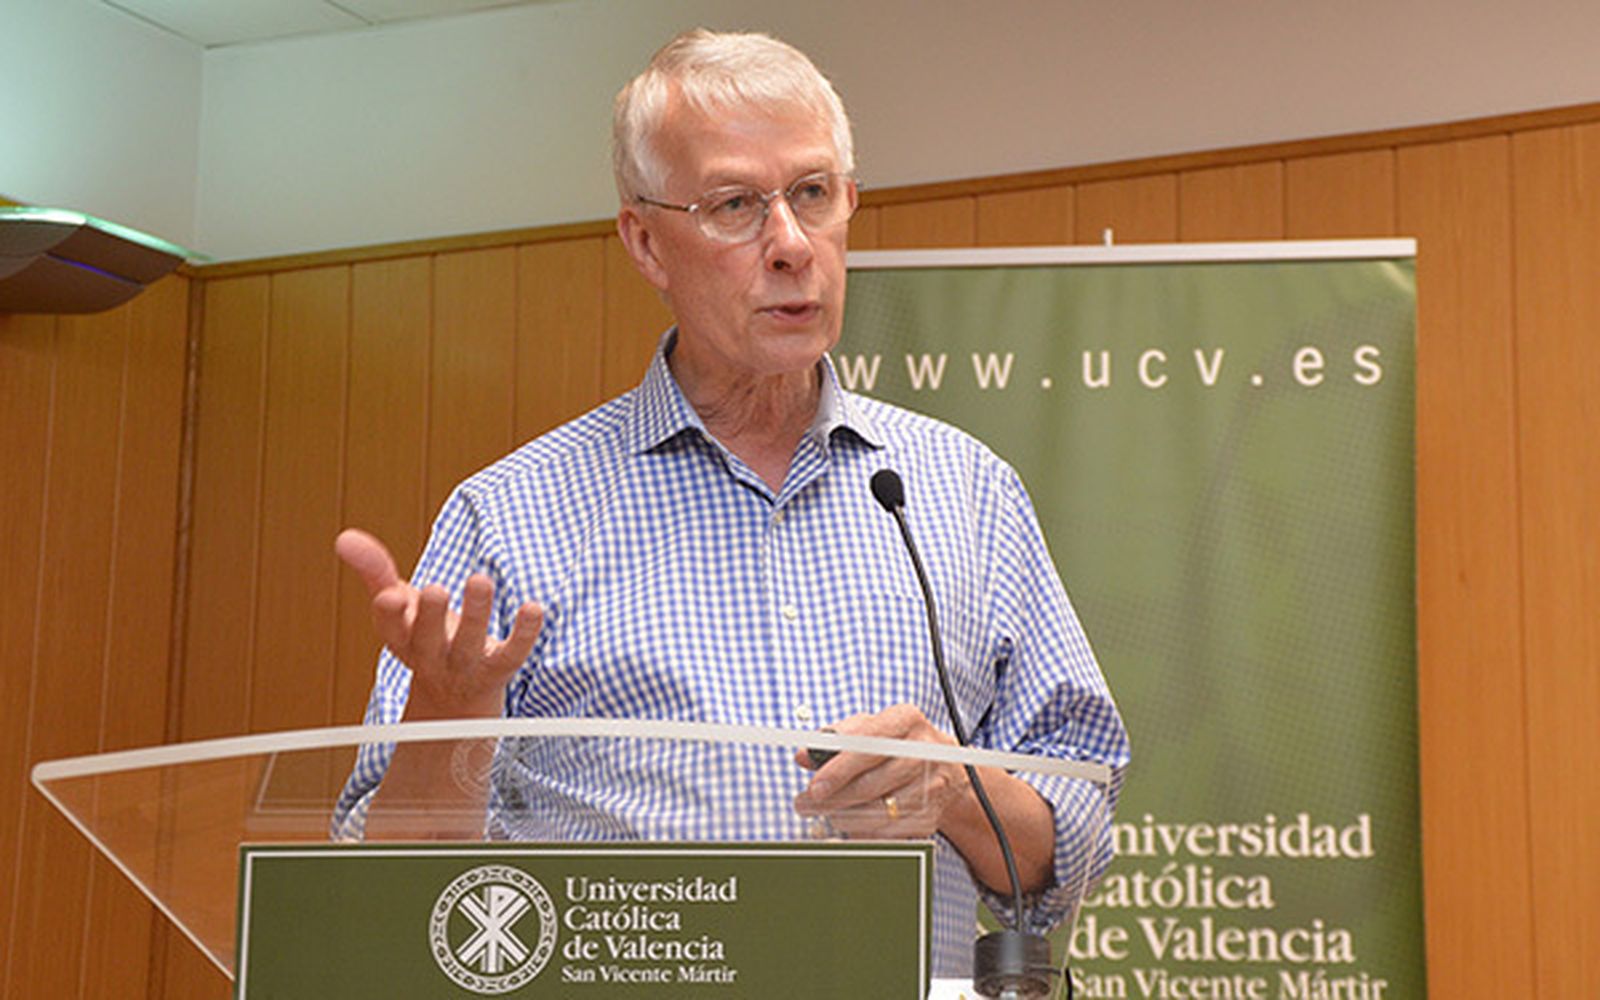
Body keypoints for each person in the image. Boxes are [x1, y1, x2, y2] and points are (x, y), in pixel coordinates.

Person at [333, 28, 1129, 978]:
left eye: (812, 194)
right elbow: (380, 888)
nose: (790, 245)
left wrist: (954, 788)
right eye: (734, 206)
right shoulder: (511, 514)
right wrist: (447, 715)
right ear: (645, 241)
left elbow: (1067, 848)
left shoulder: (964, 489)